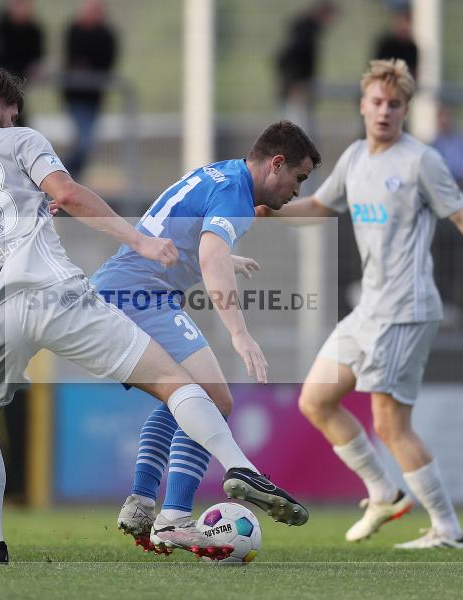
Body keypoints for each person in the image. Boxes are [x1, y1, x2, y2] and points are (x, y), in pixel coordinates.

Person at [0, 65, 308, 563]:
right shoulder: (19, 141)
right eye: (11, 113)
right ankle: (232, 470)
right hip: (57, 293)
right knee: (173, 380)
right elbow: (70, 194)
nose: (13, 121)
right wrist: (139, 240)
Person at [257, 59, 463, 549]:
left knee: (391, 426)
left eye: (395, 104)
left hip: (407, 310)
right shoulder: (354, 158)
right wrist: (272, 211)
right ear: (363, 105)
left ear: (406, 110)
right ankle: (382, 492)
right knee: (316, 400)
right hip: (369, 309)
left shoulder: (421, 162)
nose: (385, 111)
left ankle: (448, 529)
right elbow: (320, 207)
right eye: (377, 102)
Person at [89, 121, 320, 557]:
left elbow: (183, 234)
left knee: (181, 398)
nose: (296, 190)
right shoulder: (238, 194)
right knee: (216, 400)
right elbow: (210, 253)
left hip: (116, 289)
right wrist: (240, 333)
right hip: (142, 295)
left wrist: (225, 255)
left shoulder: (221, 172)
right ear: (276, 164)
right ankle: (177, 516)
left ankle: (142, 501)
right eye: (299, 178)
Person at [61, 0, 118, 178]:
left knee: (86, 145)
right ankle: (63, 178)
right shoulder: (74, 30)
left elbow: (106, 63)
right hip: (75, 96)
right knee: (84, 143)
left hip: (94, 97)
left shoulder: (106, 35)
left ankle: (65, 178)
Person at [274, 1, 338, 136]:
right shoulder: (306, 31)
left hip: (298, 86)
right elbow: (287, 58)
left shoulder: (308, 30)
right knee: (297, 134)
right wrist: (296, 83)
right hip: (296, 89)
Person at [0, 0, 45, 125]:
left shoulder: (34, 30)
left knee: (17, 113)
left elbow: (37, 57)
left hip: (21, 80)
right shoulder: (0, 28)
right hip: (1, 80)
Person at [372, 7, 417, 79]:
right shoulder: (386, 44)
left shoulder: (411, 47)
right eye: (402, 22)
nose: (405, 27)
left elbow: (413, 72)